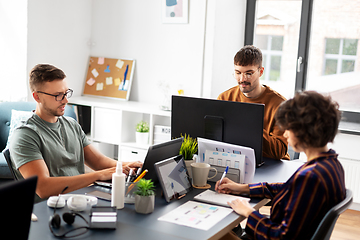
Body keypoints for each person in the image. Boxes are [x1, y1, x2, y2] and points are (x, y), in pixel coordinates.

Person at [216, 91, 346, 239]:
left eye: (288, 129)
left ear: (303, 131)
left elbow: (281, 237)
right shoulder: (330, 164)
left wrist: (249, 212)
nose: (285, 135)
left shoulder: (310, 177)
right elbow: (288, 188)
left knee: (213, 233)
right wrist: (241, 188)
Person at [9, 64, 142, 201]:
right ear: (37, 97)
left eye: (66, 93)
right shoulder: (24, 136)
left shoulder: (72, 125)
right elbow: (43, 188)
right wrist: (98, 175)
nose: (66, 100)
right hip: (52, 210)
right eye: (58, 95)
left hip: (80, 200)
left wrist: (126, 165)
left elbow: (98, 162)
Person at [218, 45, 289, 160]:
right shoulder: (225, 98)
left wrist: (250, 127)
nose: (242, 79)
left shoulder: (281, 105)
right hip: (234, 159)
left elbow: (279, 151)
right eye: (238, 73)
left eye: (249, 73)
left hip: (270, 165)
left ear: (260, 72)